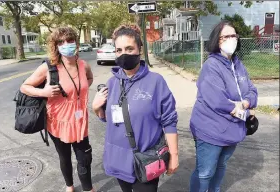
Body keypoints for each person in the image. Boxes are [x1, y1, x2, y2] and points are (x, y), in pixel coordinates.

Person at [92, 24, 179, 192]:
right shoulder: (111, 83)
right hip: (118, 158)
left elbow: (169, 121)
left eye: (129, 48)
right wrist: (97, 109)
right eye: (119, 50)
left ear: (140, 49)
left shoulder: (156, 82)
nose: (123, 54)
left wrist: (174, 156)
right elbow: (112, 119)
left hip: (146, 159)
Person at [20, 27, 95, 192]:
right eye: (61, 42)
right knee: (65, 157)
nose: (66, 44)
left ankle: (88, 189)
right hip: (58, 123)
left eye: (69, 40)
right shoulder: (49, 67)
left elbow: (89, 78)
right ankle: (69, 186)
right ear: (56, 45)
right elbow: (24, 87)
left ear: (76, 42)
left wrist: (79, 92)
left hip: (80, 121)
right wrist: (43, 92)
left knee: (84, 158)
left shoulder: (83, 65)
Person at [189, 20, 258, 192]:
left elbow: (252, 91)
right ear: (216, 40)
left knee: (221, 166)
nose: (231, 39)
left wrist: (245, 103)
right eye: (225, 36)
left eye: (233, 35)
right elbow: (218, 101)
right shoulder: (211, 66)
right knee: (205, 172)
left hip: (233, 130)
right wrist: (241, 109)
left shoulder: (238, 65)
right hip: (210, 130)